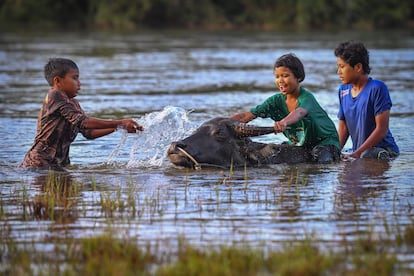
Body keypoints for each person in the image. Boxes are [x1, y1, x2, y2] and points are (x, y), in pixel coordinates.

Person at [20, 58, 144, 169]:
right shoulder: (55, 94)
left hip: (57, 164)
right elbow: (83, 122)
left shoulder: (72, 103)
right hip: (39, 164)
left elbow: (88, 133)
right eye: (75, 78)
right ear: (57, 81)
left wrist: (118, 127)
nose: (79, 83)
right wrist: (121, 122)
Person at [231, 53, 340, 163]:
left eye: (285, 76)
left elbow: (299, 112)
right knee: (275, 155)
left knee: (321, 162)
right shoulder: (275, 101)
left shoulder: (306, 98)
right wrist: (225, 123)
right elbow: (248, 115)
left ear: (299, 77)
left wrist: (284, 122)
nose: (280, 81)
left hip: (325, 142)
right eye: (277, 76)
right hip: (301, 144)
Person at [334, 41, 399, 160]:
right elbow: (343, 128)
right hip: (359, 152)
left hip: (383, 151)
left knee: (368, 155)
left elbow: (382, 129)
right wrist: (335, 152)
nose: (338, 72)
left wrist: (356, 154)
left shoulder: (377, 88)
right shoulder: (343, 91)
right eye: (338, 67)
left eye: (342, 67)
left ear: (358, 67)